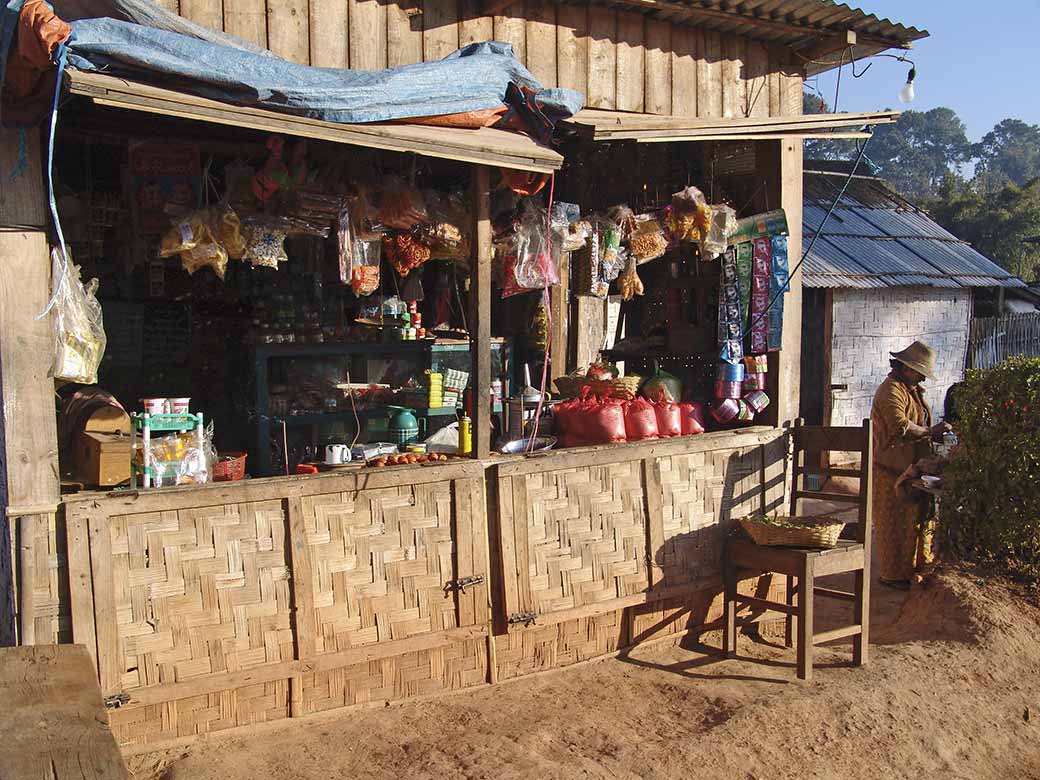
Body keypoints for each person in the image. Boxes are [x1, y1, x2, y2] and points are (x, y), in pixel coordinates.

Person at [870, 341, 951, 590]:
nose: (923, 378)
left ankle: (915, 572)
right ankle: (894, 576)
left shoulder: (911, 390)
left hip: (911, 467)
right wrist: (930, 432)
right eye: (920, 373)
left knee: (917, 522)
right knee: (894, 527)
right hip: (890, 469)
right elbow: (900, 426)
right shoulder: (890, 390)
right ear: (907, 368)